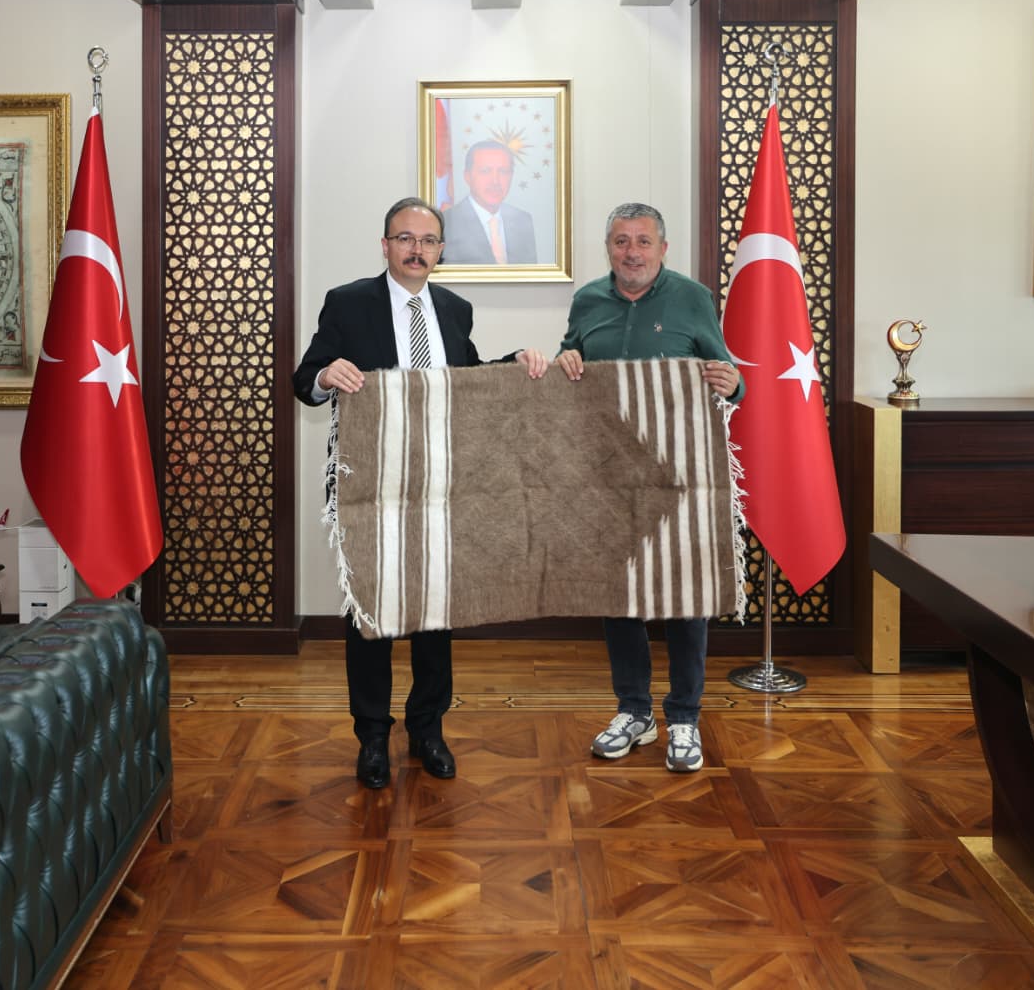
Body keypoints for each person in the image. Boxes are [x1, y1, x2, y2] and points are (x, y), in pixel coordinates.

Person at [293, 196, 547, 789]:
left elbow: (466, 380)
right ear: (385, 246)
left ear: (440, 250)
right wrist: (327, 375)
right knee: (371, 614)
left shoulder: (456, 309)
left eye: (428, 240)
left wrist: (515, 362)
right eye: (404, 239)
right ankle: (372, 737)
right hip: (369, 481)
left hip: (439, 483)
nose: (416, 250)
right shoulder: (347, 302)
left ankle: (428, 729)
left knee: (435, 613)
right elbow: (305, 381)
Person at [554, 202, 742, 772]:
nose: (631, 252)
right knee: (620, 596)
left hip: (679, 474)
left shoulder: (694, 298)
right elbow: (571, 360)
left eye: (642, 241)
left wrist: (733, 383)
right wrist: (566, 359)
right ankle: (633, 711)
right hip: (608, 475)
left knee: (685, 596)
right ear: (608, 248)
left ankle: (684, 716)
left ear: (663, 248)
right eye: (620, 241)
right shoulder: (587, 300)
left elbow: (728, 377)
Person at [441, 141, 539, 265]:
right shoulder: (446, 223)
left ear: (511, 176)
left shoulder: (523, 220)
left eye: (503, 171)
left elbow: (530, 273)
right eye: (485, 171)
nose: (495, 181)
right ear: (467, 176)